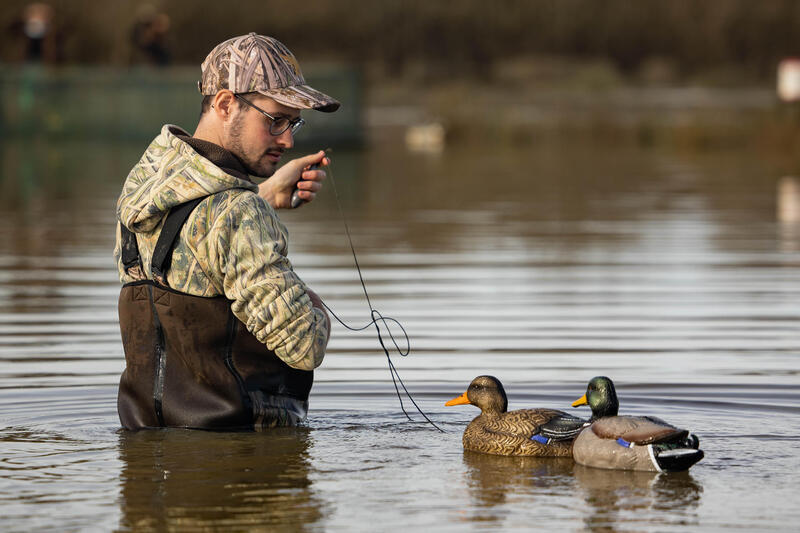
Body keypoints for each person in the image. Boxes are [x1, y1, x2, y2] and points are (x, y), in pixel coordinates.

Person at [113, 33, 339, 430]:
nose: (287, 139)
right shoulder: (239, 214)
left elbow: (192, 246)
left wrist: (264, 194)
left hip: (146, 469)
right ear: (224, 103)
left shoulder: (141, 187)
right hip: (243, 464)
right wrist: (316, 306)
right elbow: (304, 344)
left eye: (294, 123)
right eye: (275, 120)